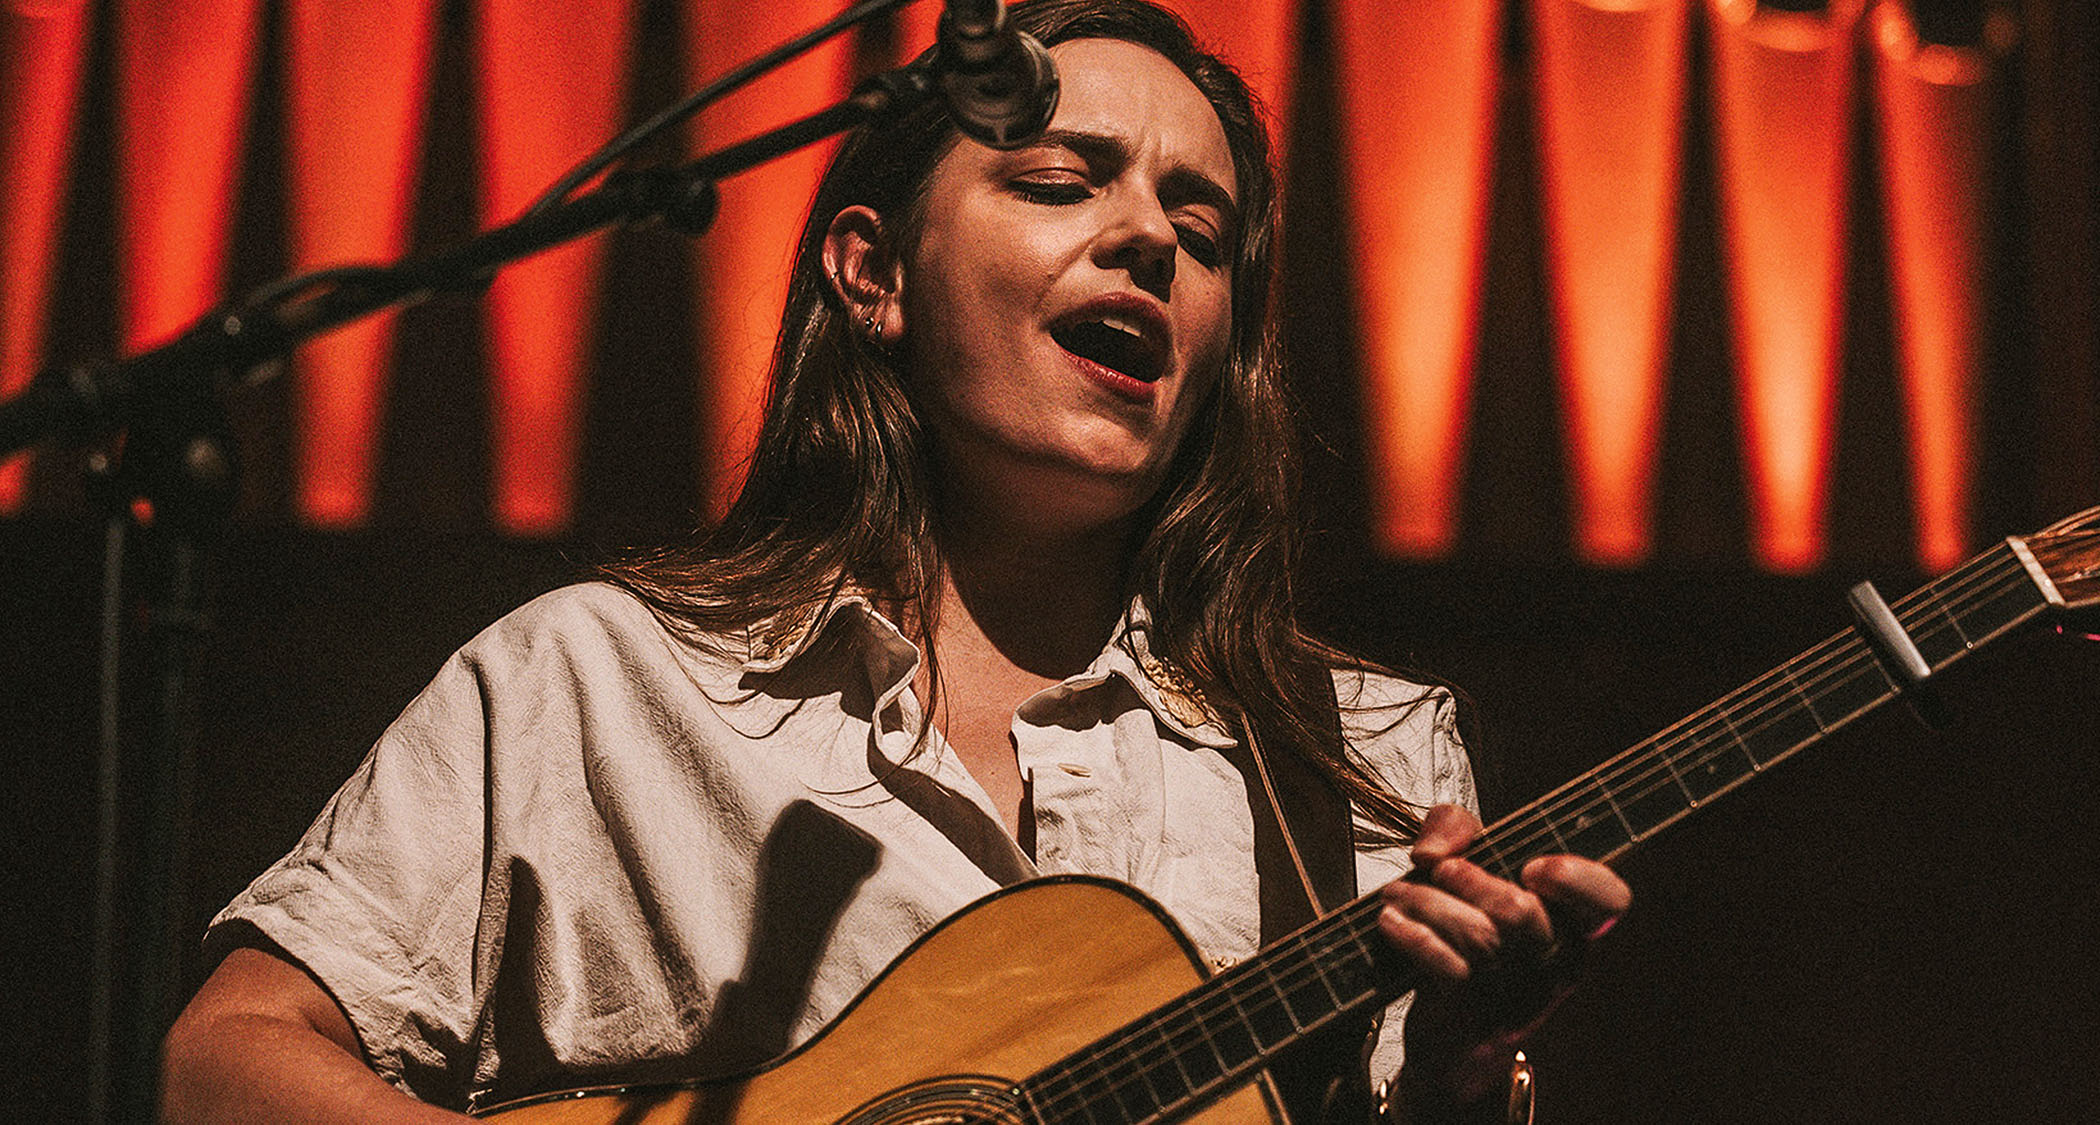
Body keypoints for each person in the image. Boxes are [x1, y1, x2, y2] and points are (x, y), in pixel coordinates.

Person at [161, 1, 1630, 1121]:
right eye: (1065, 182)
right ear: (871, 273)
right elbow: (225, 1061)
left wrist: (1458, 1065)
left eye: (1204, 226)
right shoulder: (598, 681)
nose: (1149, 242)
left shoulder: (1359, 757)